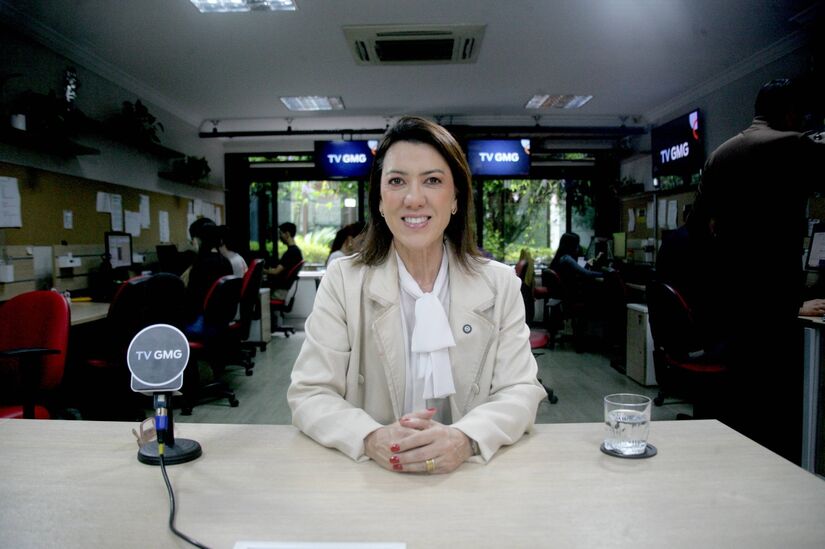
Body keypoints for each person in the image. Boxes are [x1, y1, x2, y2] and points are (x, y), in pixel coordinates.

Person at [287, 116, 546, 474]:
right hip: (373, 474)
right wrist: (372, 437)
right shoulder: (343, 281)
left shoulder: (500, 285)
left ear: (455, 198)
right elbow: (310, 393)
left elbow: (520, 391)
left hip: (469, 475)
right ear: (380, 200)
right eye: (396, 181)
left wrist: (465, 439)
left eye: (433, 180)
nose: (413, 198)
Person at [688, 77, 824, 463]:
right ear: (791, 113)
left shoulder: (720, 155)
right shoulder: (797, 146)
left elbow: (695, 230)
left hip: (725, 308)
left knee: (735, 412)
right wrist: (789, 305)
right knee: (773, 418)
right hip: (773, 307)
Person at [182, 217, 233, 336]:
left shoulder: (200, 265)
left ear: (198, 240)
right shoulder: (225, 262)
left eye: (192, 240)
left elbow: (191, 302)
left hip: (202, 324)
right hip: (221, 322)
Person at [265, 222, 303, 300]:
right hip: (284, 290)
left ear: (287, 234)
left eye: (281, 233)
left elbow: (276, 272)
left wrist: (262, 270)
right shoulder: (297, 251)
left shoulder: (290, 253)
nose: (280, 237)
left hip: (279, 291)